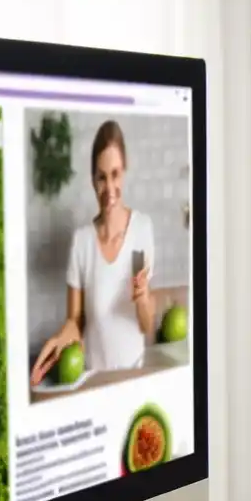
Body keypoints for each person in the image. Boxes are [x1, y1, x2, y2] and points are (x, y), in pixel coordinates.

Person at [31, 120, 156, 385]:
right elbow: (75, 321)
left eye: (115, 174)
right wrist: (57, 342)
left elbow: (146, 326)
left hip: (133, 374)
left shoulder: (142, 230)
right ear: (92, 179)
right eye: (101, 177)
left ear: (125, 171)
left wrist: (143, 298)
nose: (109, 188)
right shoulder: (81, 242)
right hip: (93, 379)